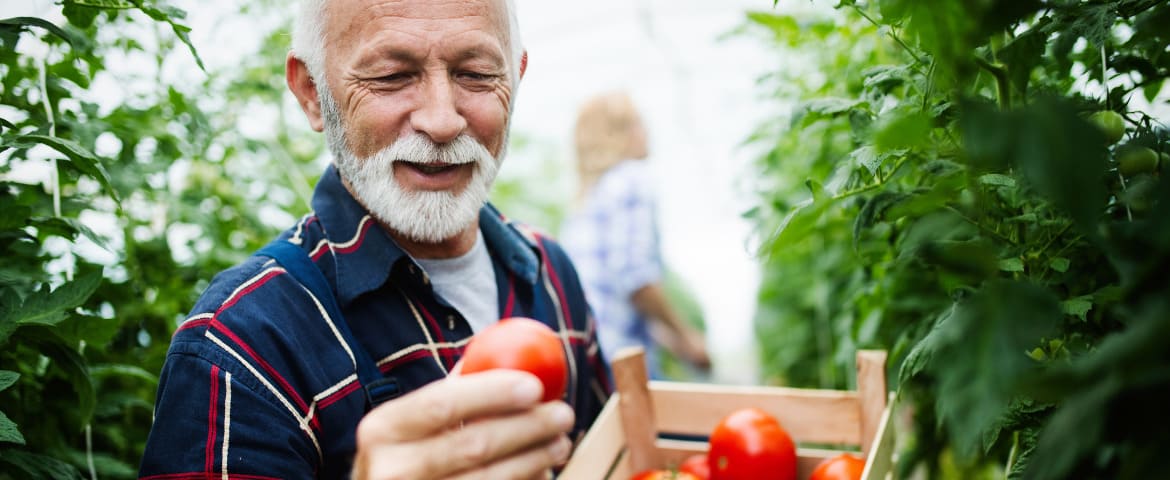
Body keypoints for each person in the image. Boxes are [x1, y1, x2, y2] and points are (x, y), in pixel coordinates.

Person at [138, 0, 610, 478]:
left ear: (516, 78)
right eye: (390, 76)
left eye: (476, 73)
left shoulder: (549, 272)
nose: (442, 120)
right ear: (311, 92)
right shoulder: (241, 346)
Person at [560, 92, 710, 380]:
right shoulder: (631, 180)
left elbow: (610, 298)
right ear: (620, 133)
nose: (647, 132)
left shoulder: (587, 199)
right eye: (639, 124)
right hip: (622, 362)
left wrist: (673, 342)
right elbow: (635, 277)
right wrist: (688, 336)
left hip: (584, 355)